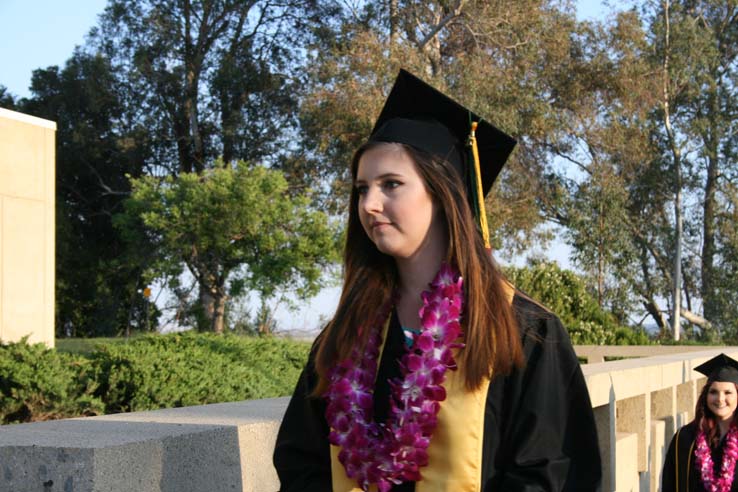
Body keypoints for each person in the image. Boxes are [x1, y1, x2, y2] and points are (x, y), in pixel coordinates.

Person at [273, 69, 602, 491]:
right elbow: (304, 465)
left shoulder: (523, 332)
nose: (370, 204)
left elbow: (552, 473)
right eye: (361, 189)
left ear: (444, 195)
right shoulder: (345, 337)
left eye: (391, 184)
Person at [662, 353, 738, 492]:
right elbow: (669, 484)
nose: (720, 399)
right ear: (705, 395)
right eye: (713, 392)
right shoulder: (685, 438)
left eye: (728, 392)